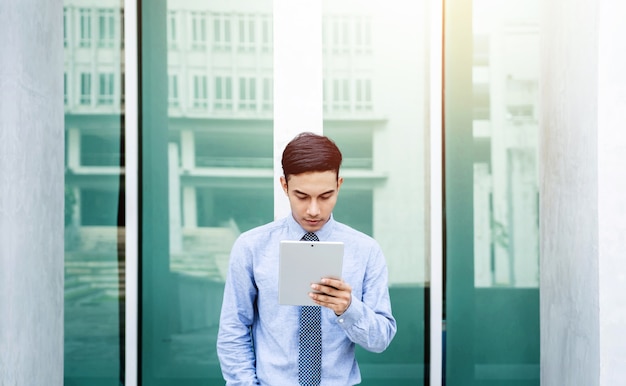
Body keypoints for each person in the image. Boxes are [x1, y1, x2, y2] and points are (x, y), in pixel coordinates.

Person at [217, 132, 396, 385]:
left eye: (325, 196)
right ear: (284, 186)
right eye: (302, 196)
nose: (314, 210)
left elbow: (381, 340)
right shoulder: (251, 247)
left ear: (339, 185)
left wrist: (349, 308)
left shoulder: (366, 250)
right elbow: (233, 330)